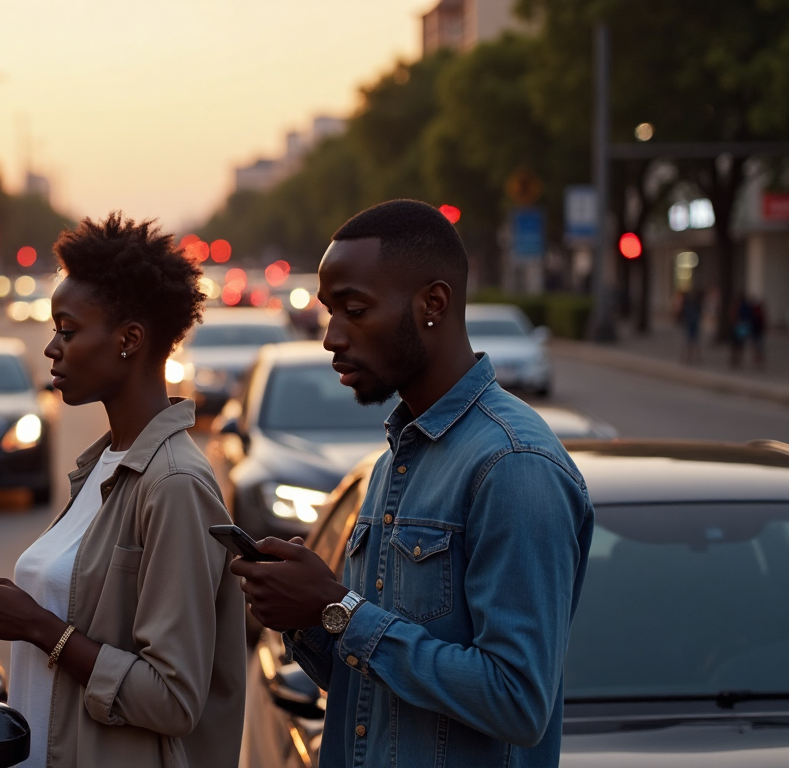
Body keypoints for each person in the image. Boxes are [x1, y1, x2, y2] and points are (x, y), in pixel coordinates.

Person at [232, 200, 594, 768]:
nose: (332, 337)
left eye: (353, 310)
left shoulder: (513, 465)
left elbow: (519, 701)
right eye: (330, 312)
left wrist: (341, 608)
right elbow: (371, 687)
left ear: (433, 304)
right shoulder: (392, 463)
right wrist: (309, 617)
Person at [0, 213, 246, 768]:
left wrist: (37, 627)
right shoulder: (106, 466)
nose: (51, 350)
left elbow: (173, 699)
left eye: (67, 330)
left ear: (129, 339)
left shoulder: (175, 484)